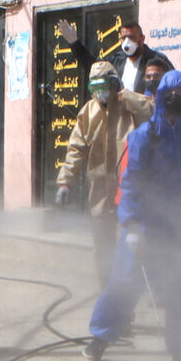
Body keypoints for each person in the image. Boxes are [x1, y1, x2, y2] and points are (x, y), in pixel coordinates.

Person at [84, 70, 181, 361]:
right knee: (126, 278)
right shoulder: (144, 135)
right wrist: (132, 224)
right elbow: (131, 182)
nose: (176, 100)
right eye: (170, 96)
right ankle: (100, 338)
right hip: (148, 218)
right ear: (161, 98)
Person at [55, 62, 153, 288]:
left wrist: (124, 95)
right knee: (103, 249)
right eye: (95, 87)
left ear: (114, 84)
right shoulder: (88, 112)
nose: (101, 92)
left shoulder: (128, 105)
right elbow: (75, 149)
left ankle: (126, 305)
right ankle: (108, 298)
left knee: (129, 247)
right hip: (99, 194)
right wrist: (65, 183)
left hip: (128, 193)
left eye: (105, 85)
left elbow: (151, 110)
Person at [61, 20, 174, 96]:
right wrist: (74, 43)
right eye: (123, 38)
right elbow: (95, 67)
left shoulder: (157, 62)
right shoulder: (116, 60)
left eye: (131, 37)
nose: (127, 42)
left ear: (142, 39)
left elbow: (173, 86)